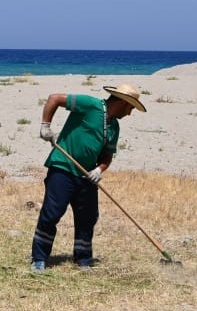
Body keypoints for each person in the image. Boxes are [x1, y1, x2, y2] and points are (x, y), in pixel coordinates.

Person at [30, 84, 146, 271]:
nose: (130, 113)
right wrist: (45, 126)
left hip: (86, 175)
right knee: (52, 213)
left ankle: (83, 259)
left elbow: (107, 156)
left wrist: (99, 170)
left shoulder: (114, 127)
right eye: (130, 108)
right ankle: (39, 258)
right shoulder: (90, 105)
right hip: (62, 167)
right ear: (122, 103)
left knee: (88, 217)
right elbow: (54, 98)